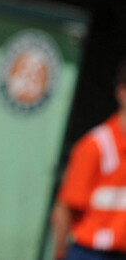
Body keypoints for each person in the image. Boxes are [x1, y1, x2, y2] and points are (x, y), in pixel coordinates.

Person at [51, 58, 126, 260]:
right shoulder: (95, 145)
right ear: (121, 92)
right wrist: (59, 252)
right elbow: (64, 208)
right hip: (89, 252)